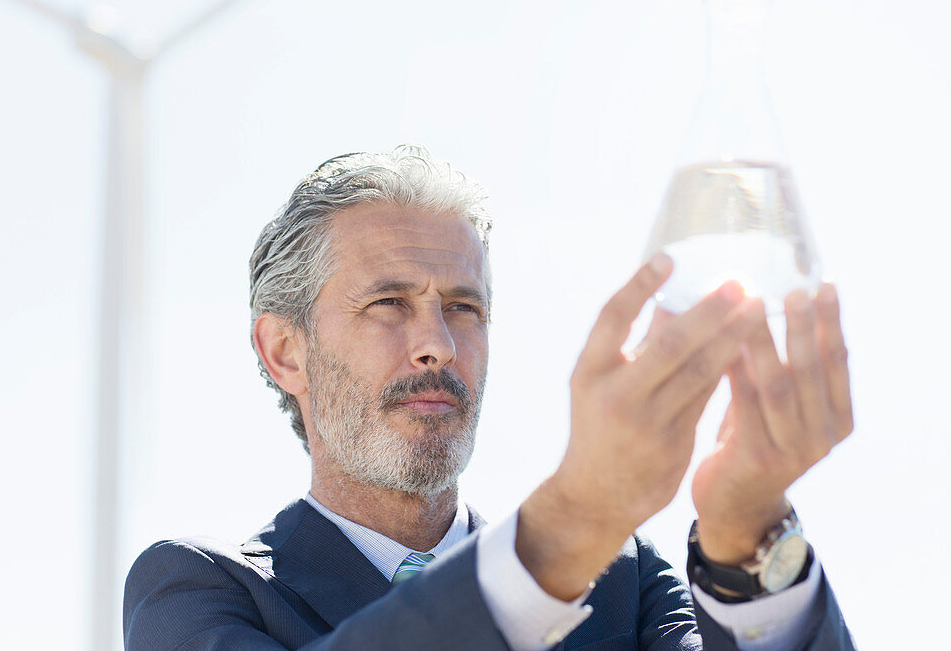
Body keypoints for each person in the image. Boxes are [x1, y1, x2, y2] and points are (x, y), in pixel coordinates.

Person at [123, 145, 855, 650]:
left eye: (464, 307)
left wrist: (747, 535)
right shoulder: (200, 589)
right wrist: (571, 522)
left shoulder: (625, 581)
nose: (437, 342)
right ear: (285, 351)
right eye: (388, 302)